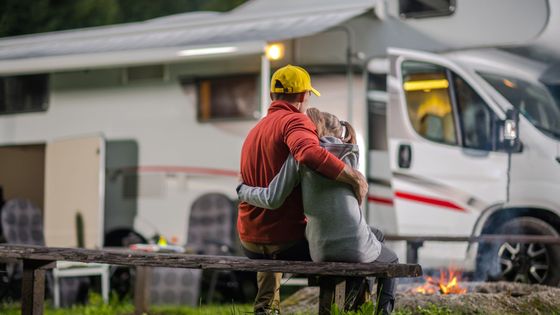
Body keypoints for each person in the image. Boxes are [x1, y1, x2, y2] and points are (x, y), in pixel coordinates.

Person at [238, 108, 399, 314]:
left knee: (374, 236)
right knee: (390, 258)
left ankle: (356, 300)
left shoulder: (296, 157)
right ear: (341, 133)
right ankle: (373, 308)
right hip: (352, 243)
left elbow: (272, 197)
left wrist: (242, 189)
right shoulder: (351, 154)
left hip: (319, 247)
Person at [238, 65, 368, 315]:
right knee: (343, 251)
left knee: (276, 232)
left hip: (249, 241)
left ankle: (266, 308)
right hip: (283, 242)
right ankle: (342, 310)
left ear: (272, 95)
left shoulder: (256, 130)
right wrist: (352, 176)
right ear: (301, 96)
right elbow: (308, 152)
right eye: (308, 95)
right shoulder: (295, 120)